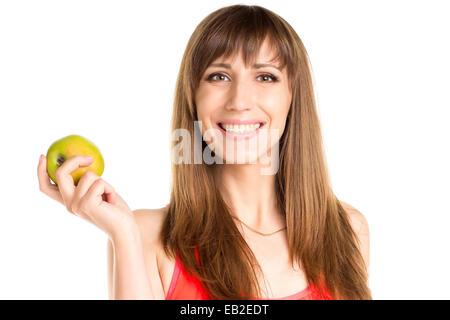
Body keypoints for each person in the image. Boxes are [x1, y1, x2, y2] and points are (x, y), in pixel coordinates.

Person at [37, 4, 371, 300]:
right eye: (219, 76)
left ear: (293, 97)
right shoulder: (145, 235)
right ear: (193, 98)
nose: (239, 100)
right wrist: (123, 234)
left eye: (266, 76)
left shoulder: (346, 230)